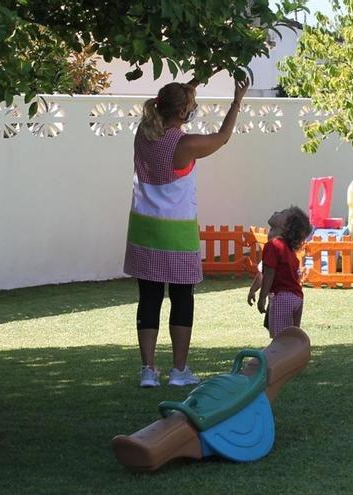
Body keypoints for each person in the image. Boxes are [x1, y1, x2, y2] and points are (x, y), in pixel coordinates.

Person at [126, 77, 249, 388]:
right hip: (177, 234)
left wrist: (195, 80)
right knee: (182, 299)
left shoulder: (144, 133)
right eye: (191, 107)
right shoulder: (185, 144)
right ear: (182, 112)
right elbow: (222, 137)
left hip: (144, 230)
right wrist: (237, 100)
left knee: (149, 299)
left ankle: (148, 371)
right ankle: (179, 370)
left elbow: (173, 98)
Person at [254, 207, 312, 337]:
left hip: (282, 298)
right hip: (297, 297)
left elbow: (268, 274)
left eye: (283, 213)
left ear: (287, 226)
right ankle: (295, 356)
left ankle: (277, 358)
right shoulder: (288, 250)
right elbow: (264, 271)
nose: (276, 212)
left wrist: (262, 297)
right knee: (291, 338)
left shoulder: (273, 245)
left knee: (280, 340)